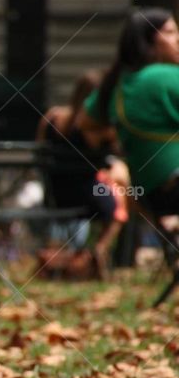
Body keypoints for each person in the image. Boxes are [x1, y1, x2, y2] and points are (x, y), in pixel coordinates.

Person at [82, 8, 179, 217]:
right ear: (148, 41)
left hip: (150, 194)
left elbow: (86, 123)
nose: (178, 39)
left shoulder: (116, 84)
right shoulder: (163, 77)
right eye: (170, 32)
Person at [37, 70, 131, 277]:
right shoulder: (96, 127)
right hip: (88, 195)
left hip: (54, 193)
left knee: (115, 183)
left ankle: (71, 259)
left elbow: (40, 154)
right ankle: (100, 249)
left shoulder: (52, 117)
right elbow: (116, 151)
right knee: (120, 195)